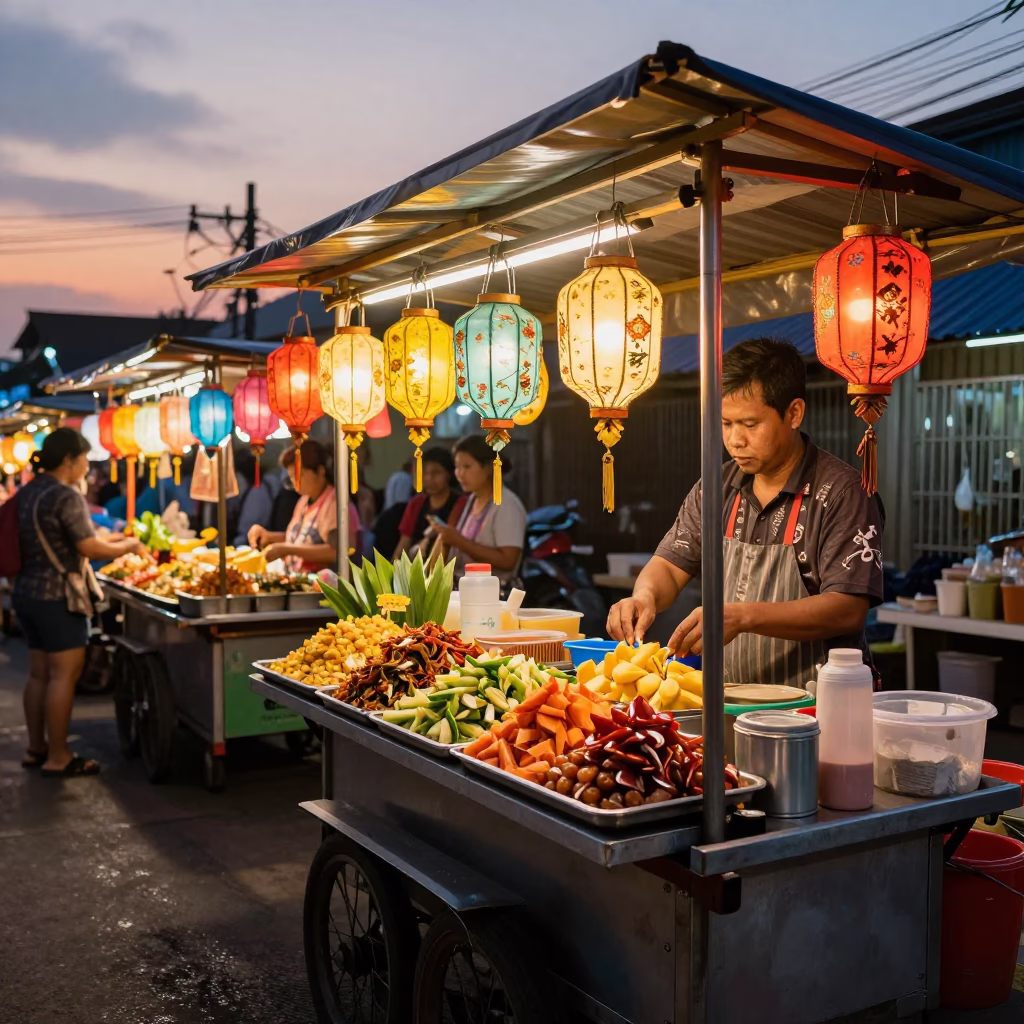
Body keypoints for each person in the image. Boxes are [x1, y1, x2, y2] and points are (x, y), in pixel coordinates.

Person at [607, 338, 884, 687]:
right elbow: (669, 564)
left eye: (750, 425)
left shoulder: (842, 492)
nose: (735, 440)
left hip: (815, 708)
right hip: (731, 701)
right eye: (726, 424)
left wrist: (742, 616)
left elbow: (848, 609)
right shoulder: (717, 487)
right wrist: (643, 596)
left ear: (794, 413)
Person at [14, 428, 145, 776]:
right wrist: (128, 546)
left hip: (27, 592)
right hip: (59, 597)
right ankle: (59, 756)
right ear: (70, 460)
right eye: (85, 458)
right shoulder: (66, 495)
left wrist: (110, 539)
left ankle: (35, 748)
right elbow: (88, 547)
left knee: (39, 674)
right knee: (64, 676)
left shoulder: (29, 491)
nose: (88, 465)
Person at [247, 439, 360, 573]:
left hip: (325, 587)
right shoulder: (304, 501)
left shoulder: (336, 503)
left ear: (320, 471)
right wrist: (269, 537)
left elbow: (338, 551)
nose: (296, 484)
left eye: (300, 476)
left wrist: (287, 549)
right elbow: (301, 539)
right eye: (292, 478)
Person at [428, 435, 526, 587]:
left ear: (488, 468)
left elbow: (508, 560)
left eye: (467, 467)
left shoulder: (507, 504)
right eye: (457, 467)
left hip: (493, 595)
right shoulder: (472, 499)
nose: (460, 474)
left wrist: (459, 541)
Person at [393, 447, 463, 558]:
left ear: (449, 474)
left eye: (436, 473)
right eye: (424, 473)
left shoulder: (461, 503)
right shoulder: (416, 503)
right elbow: (404, 544)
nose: (429, 478)